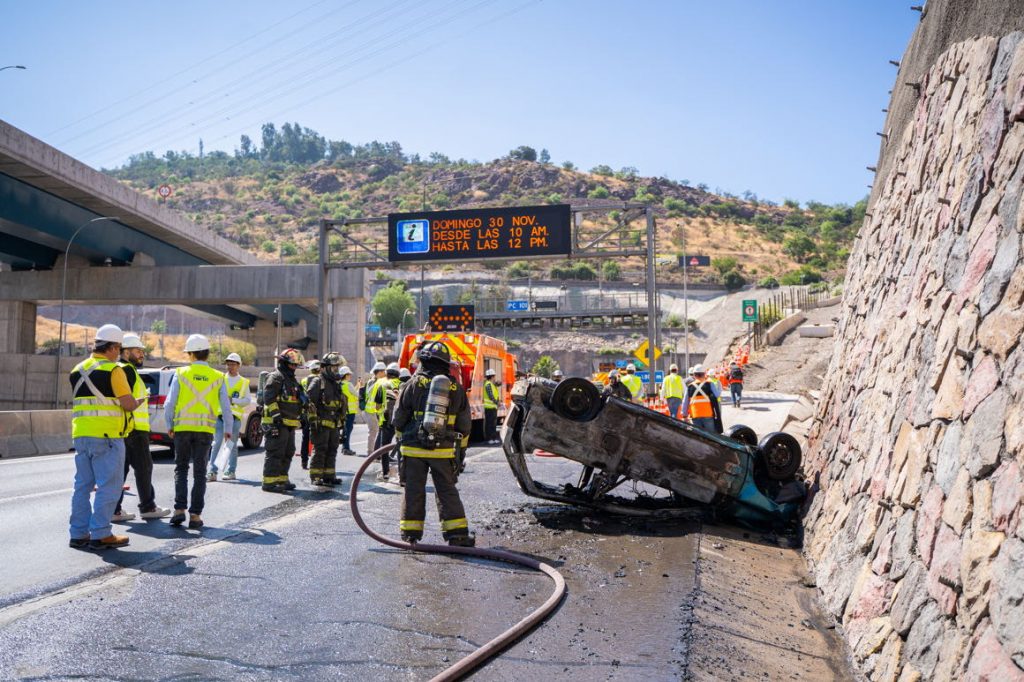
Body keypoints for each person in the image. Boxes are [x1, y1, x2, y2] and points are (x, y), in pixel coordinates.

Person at [392, 341, 475, 547]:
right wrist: (460, 453)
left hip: (413, 448)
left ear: (423, 361)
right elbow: (465, 425)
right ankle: (457, 535)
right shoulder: (455, 387)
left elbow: (398, 418)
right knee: (446, 490)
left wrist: (401, 440)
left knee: (414, 489)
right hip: (444, 450)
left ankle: (410, 535)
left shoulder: (413, 383)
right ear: (446, 364)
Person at [68, 324, 142, 550]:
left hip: (81, 435)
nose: (118, 353)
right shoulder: (114, 370)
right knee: (110, 486)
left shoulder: (76, 370)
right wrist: (138, 403)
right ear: (112, 347)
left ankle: (78, 534)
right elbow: (127, 404)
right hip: (108, 437)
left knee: (82, 487)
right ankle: (100, 533)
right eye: (118, 349)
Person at [165, 334, 233, 530]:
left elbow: (170, 402)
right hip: (204, 430)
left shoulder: (181, 373)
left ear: (191, 354)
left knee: (181, 469)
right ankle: (195, 516)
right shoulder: (218, 377)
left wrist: (170, 424)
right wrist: (228, 429)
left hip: (182, 429)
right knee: (200, 472)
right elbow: (226, 407)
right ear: (207, 354)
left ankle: (179, 510)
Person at [112, 333, 169, 522]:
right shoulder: (126, 369)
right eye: (138, 351)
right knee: (144, 467)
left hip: (126, 429)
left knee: (122, 470)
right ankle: (148, 507)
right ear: (126, 352)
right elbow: (124, 400)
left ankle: (114, 509)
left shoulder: (123, 369)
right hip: (134, 429)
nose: (142, 354)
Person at [261, 348, 306, 493]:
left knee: (288, 451)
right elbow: (269, 398)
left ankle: (281, 479)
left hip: (289, 422)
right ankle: (269, 482)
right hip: (277, 423)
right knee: (276, 452)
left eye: (295, 365)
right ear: (283, 363)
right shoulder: (276, 377)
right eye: (291, 365)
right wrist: (277, 417)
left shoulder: (291, 380)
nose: (294, 368)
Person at [207, 352, 250, 481]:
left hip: (234, 418)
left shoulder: (243, 382)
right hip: (220, 417)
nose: (230, 367)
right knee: (216, 444)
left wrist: (233, 401)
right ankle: (212, 472)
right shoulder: (221, 379)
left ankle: (231, 471)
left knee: (230, 445)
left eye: (233, 364)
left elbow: (247, 400)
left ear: (238, 365)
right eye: (228, 364)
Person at [307, 352, 346, 486]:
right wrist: (313, 421)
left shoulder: (335, 384)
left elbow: (340, 404)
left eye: (337, 368)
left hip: (334, 423)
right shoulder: (318, 381)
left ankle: (329, 475)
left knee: (332, 449)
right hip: (321, 424)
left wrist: (341, 422)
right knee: (320, 449)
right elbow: (309, 403)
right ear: (327, 367)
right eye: (334, 367)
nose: (336, 370)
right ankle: (316, 476)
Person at [373, 362, 402, 482]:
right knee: (401, 447)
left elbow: (378, 406)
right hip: (401, 421)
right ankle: (402, 474)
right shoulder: (403, 385)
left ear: (387, 373)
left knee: (384, 448)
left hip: (386, 422)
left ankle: (385, 473)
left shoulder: (383, 385)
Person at [682, 364, 722, 434]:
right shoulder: (709, 384)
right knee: (711, 436)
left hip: (695, 415)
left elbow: (685, 402)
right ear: (704, 374)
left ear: (694, 375)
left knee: (698, 436)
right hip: (708, 414)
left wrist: (685, 415)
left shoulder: (690, 387)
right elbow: (717, 395)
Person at [298, 360, 320, 470]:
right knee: (317, 437)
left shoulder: (304, 380)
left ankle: (304, 461)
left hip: (305, 412)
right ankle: (315, 463)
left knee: (305, 437)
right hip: (316, 412)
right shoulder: (320, 380)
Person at [363, 361, 386, 456]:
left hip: (371, 410)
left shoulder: (371, 381)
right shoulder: (377, 382)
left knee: (374, 432)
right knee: (373, 432)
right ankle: (371, 453)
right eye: (384, 371)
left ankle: (374, 452)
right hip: (372, 410)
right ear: (380, 372)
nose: (385, 373)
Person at [339, 366, 358, 457]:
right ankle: (346, 448)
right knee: (348, 430)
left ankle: (344, 447)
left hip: (341, 411)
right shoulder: (348, 384)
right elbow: (356, 394)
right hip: (350, 411)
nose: (350, 376)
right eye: (349, 375)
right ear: (346, 375)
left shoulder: (339, 384)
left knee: (344, 430)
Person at [483, 368, 500, 445]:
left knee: (493, 424)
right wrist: (497, 402)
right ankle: (489, 438)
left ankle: (493, 438)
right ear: (492, 376)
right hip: (489, 408)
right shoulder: (488, 384)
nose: (495, 377)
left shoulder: (491, 384)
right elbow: (490, 395)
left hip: (493, 407)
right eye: (494, 376)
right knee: (489, 424)